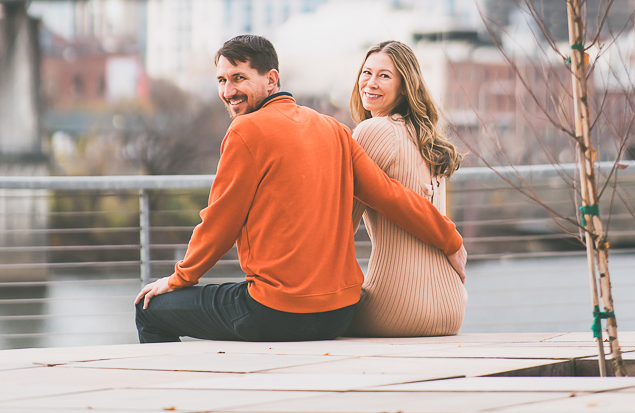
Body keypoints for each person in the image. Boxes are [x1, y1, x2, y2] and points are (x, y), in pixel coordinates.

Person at [135, 33, 465, 343]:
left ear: (272, 79)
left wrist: (179, 280)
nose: (228, 91)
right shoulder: (335, 129)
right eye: (222, 80)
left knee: (149, 309)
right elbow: (390, 196)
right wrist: (450, 239)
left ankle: (172, 396)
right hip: (339, 312)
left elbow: (219, 222)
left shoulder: (244, 131)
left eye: (239, 78)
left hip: (275, 311)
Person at [347, 40, 467, 337]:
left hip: (395, 308)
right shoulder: (426, 138)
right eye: (366, 72)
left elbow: (343, 223)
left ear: (404, 87)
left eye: (384, 76)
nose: (370, 83)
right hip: (452, 308)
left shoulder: (372, 130)